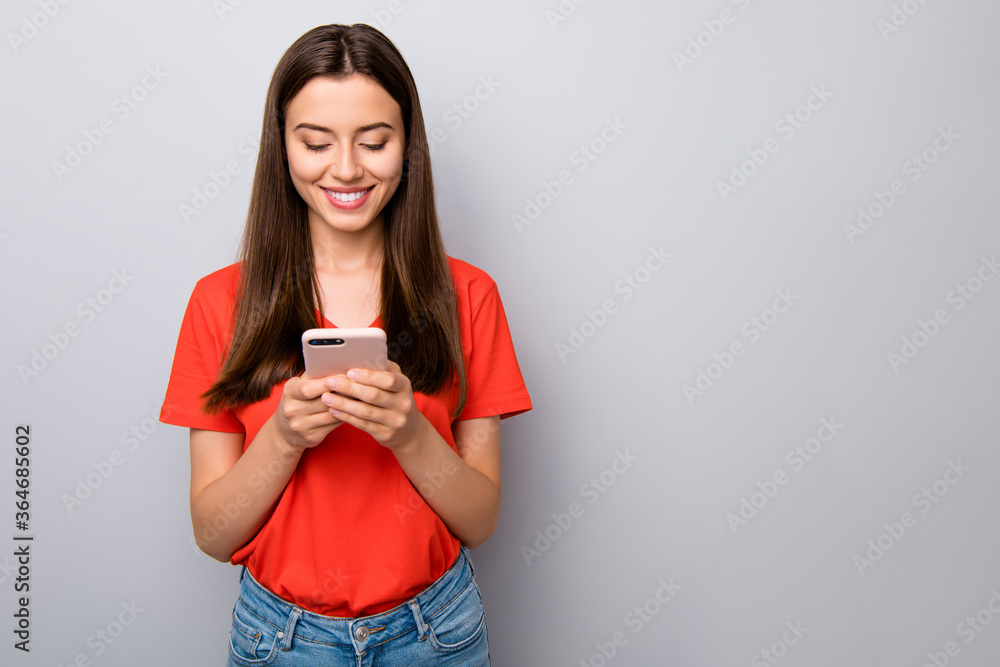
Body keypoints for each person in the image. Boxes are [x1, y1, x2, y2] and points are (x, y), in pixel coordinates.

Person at [159, 23, 531, 666]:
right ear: (281, 148)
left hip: (436, 634)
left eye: (376, 141)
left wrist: (409, 432)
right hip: (281, 638)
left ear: (408, 146)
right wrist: (283, 436)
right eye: (315, 142)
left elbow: (481, 521)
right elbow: (214, 534)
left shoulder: (470, 296)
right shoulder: (219, 302)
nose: (348, 168)